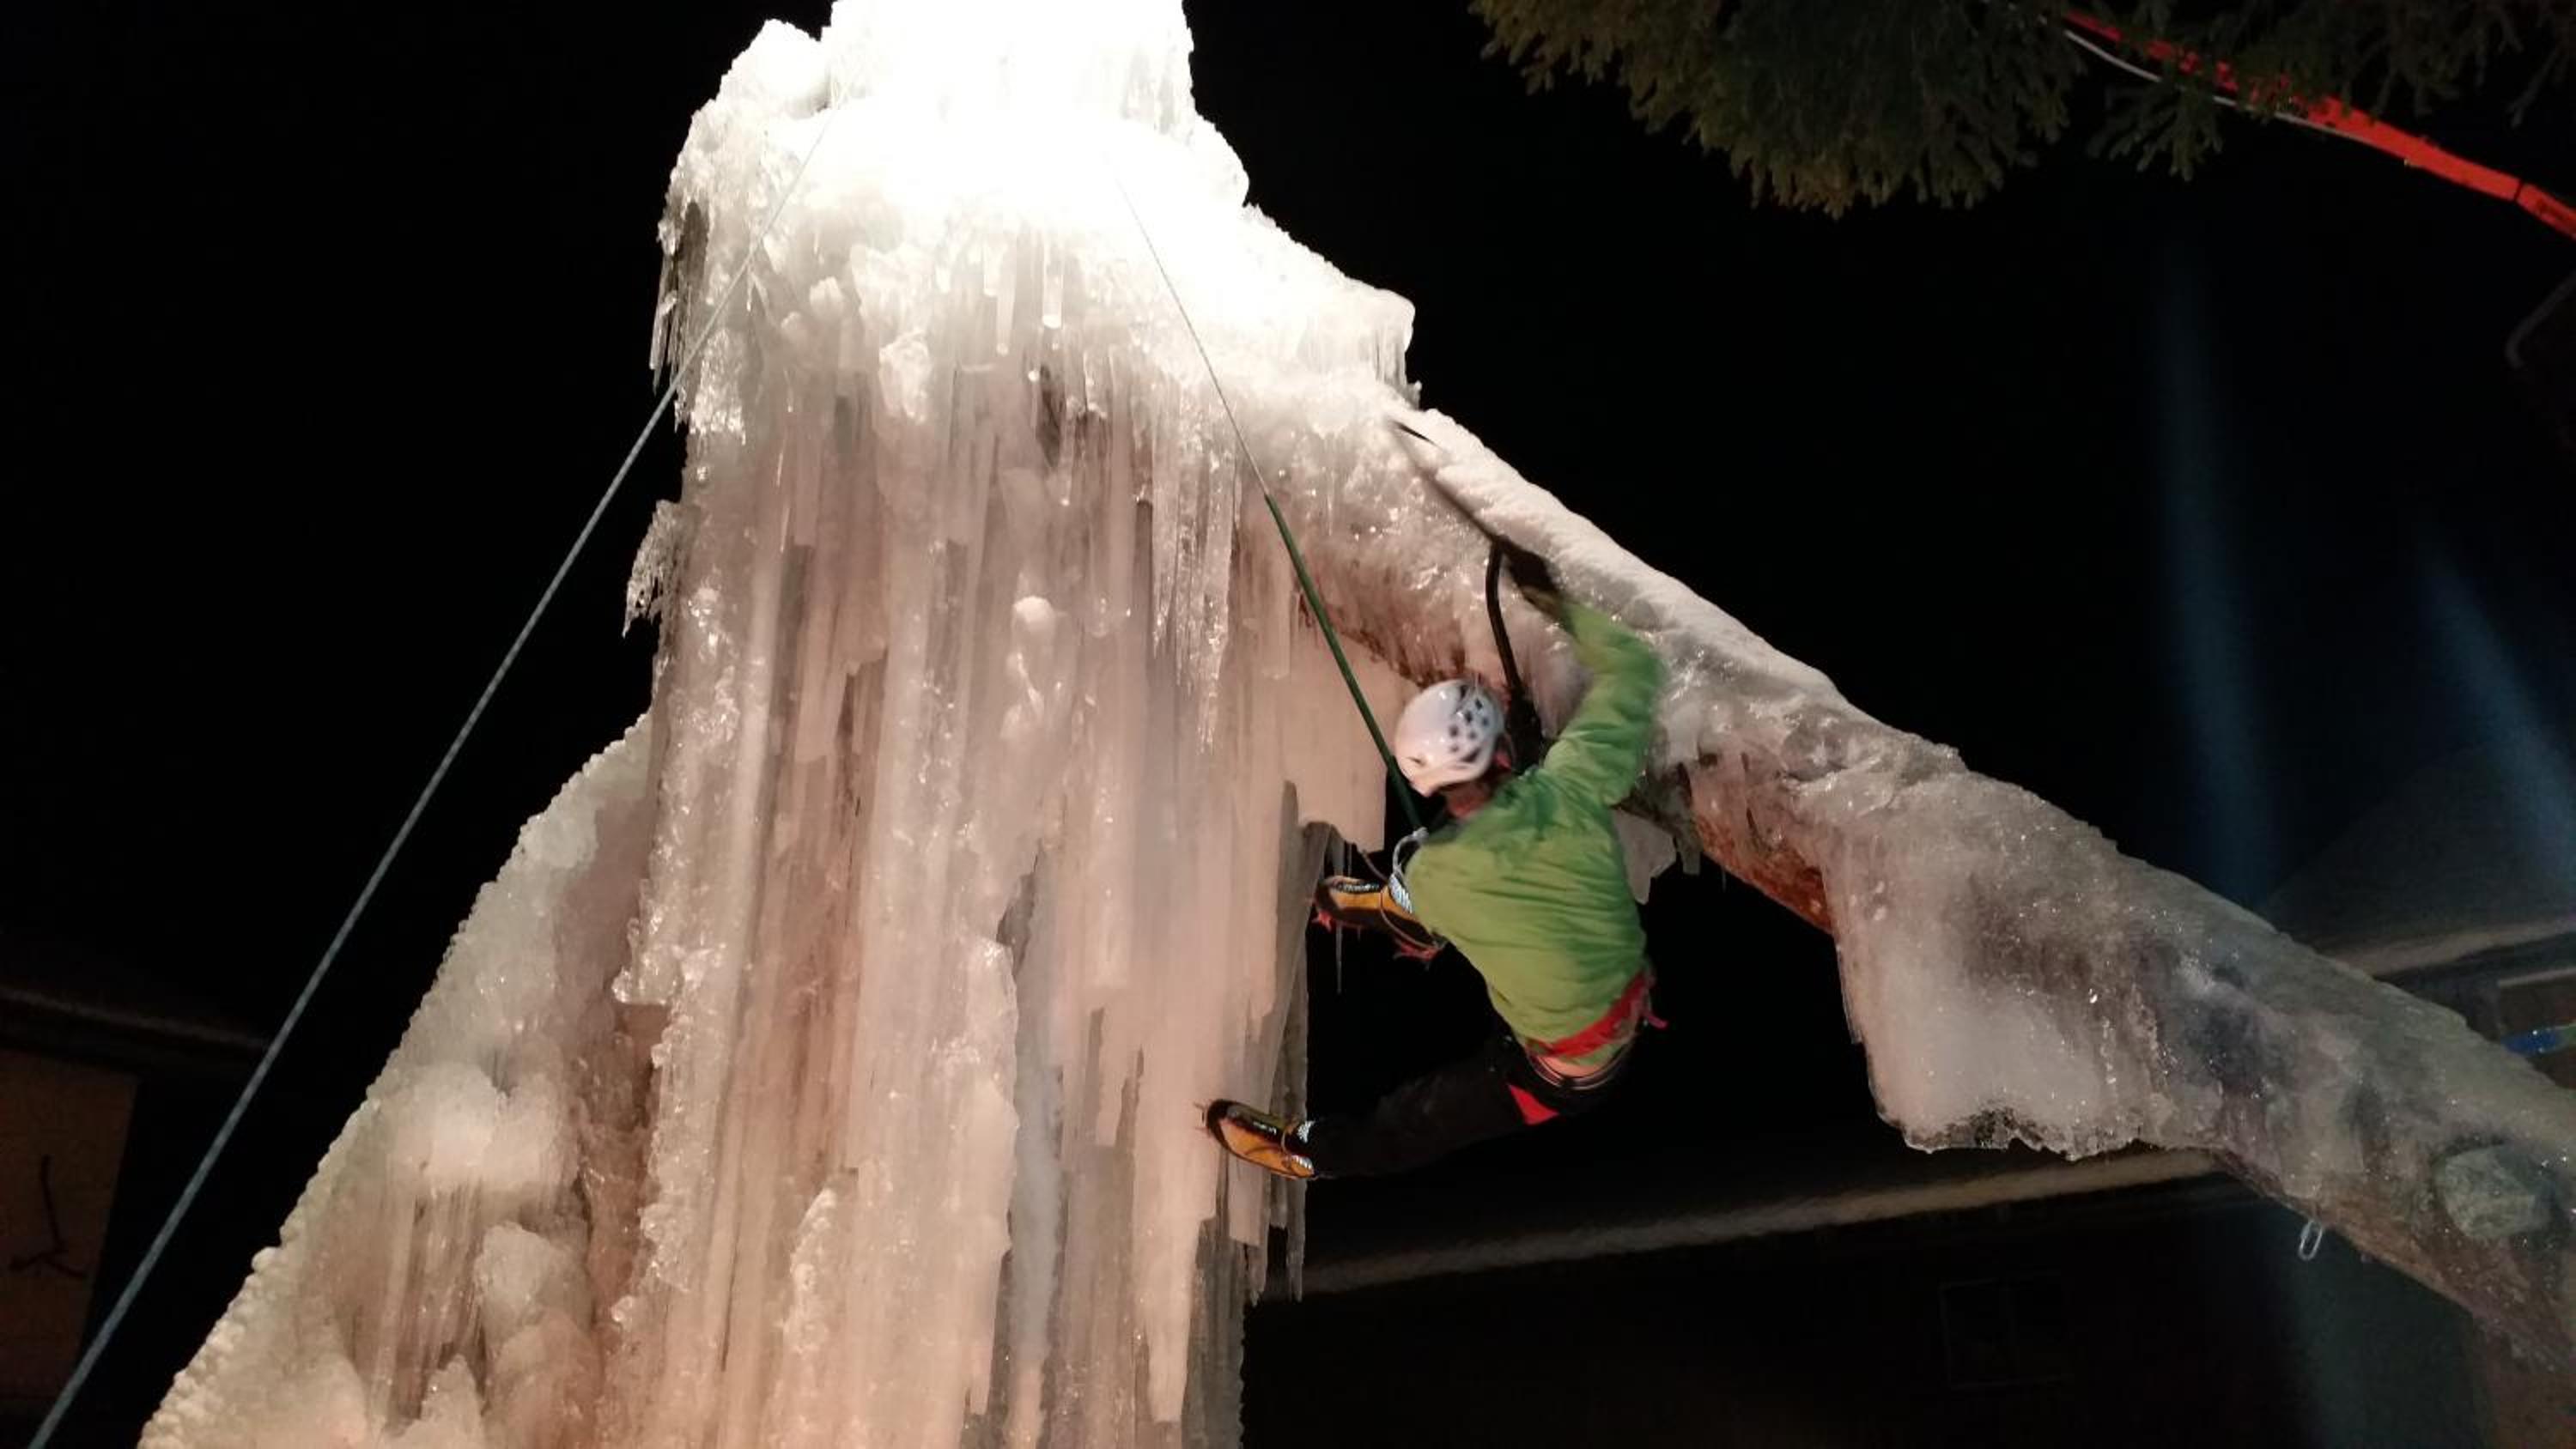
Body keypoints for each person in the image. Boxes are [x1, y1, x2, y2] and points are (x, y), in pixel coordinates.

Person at [1206, 545, 1665, 1179]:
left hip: (1559, 1071)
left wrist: (1377, 894)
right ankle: (1388, 915)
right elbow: (1635, 668)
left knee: (1411, 1122)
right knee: (1465, 942)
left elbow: (1429, 895)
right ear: (1502, 751)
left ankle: (1307, 1152)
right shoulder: (1573, 782)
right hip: (1615, 1015)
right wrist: (1551, 598)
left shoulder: (1436, 873)